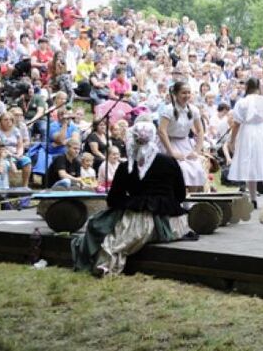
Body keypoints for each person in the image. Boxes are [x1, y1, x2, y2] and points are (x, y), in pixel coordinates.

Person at [71, 119, 193, 277]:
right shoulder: (170, 162)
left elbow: (114, 199)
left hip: (141, 221)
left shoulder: (126, 166)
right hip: (174, 222)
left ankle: (103, 265)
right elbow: (180, 195)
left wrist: (133, 201)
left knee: (101, 228)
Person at [227, 77, 263, 213]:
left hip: (248, 132)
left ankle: (253, 198)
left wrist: (232, 140)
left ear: (247, 86)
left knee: (250, 164)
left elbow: (236, 124)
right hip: (262, 131)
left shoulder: (243, 102)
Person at [158, 81, 205, 192]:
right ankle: (178, 200)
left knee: (197, 169)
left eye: (189, 93)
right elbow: (161, 131)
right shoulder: (168, 110)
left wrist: (197, 151)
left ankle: (191, 202)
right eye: (183, 93)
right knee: (182, 170)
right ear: (176, 94)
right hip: (168, 143)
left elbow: (200, 130)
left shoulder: (193, 110)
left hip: (185, 144)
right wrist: (172, 152)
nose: (187, 96)